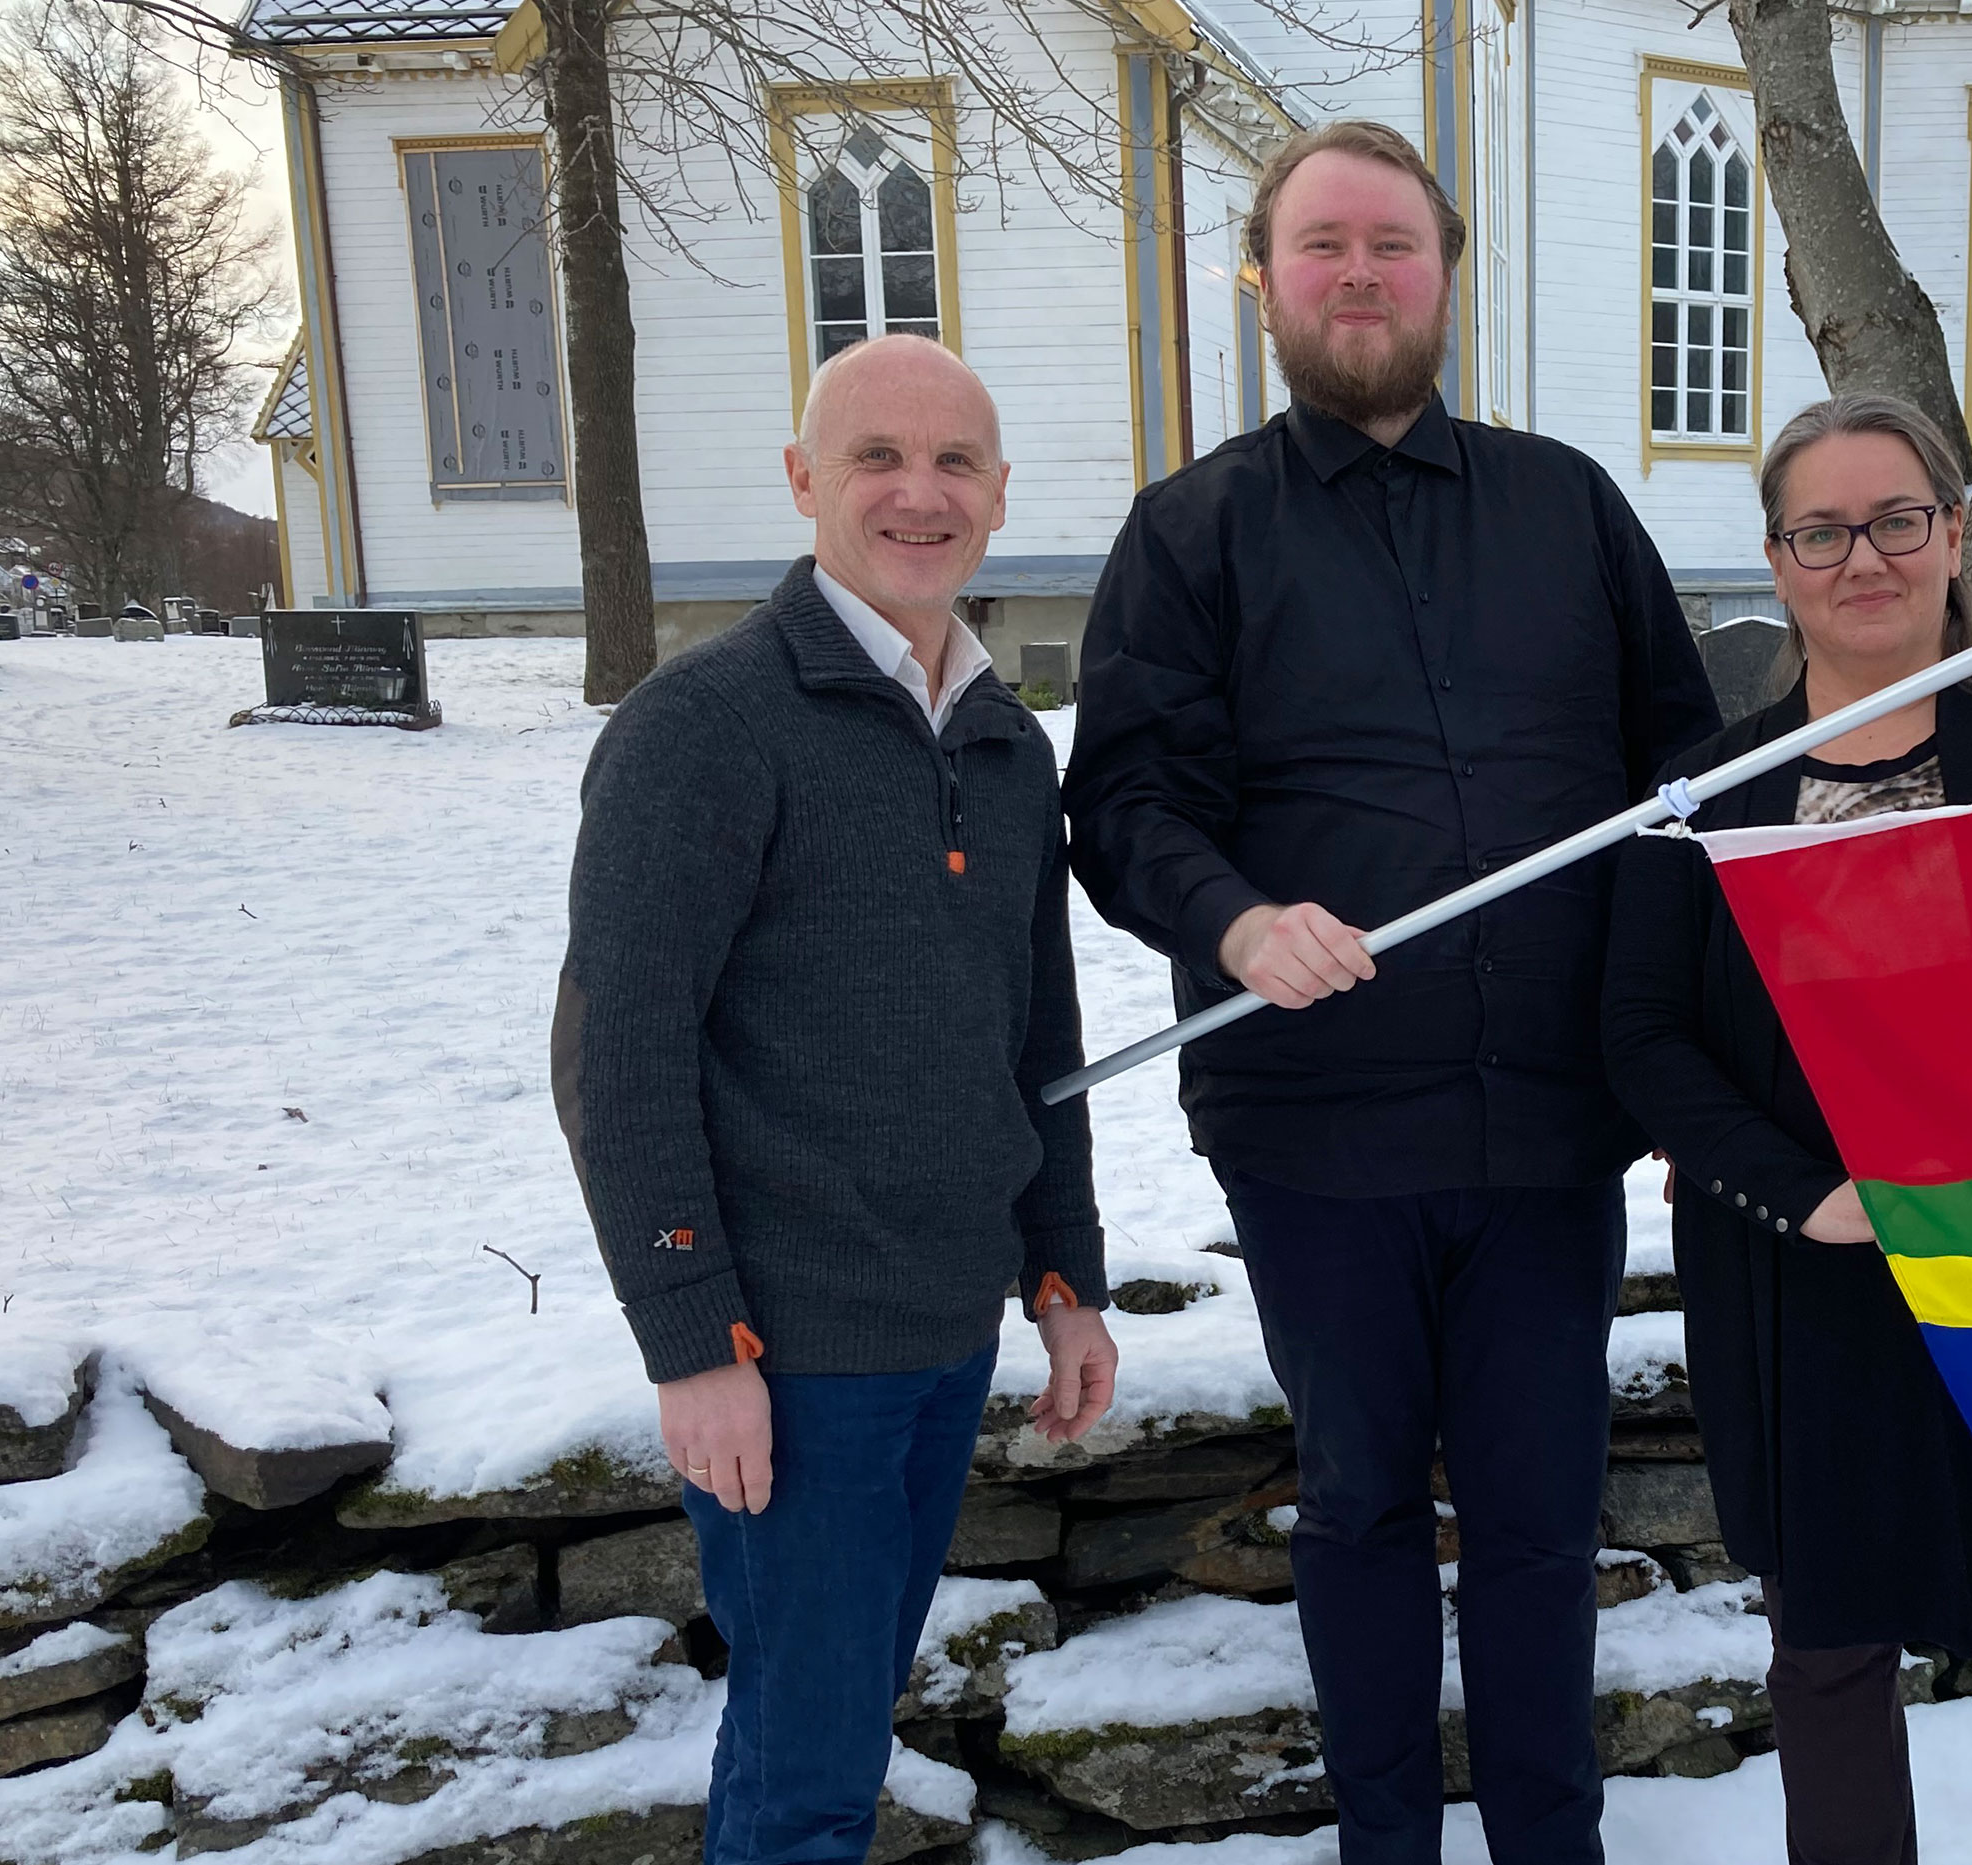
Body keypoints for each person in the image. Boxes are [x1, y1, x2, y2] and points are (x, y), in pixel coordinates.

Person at [1062, 120, 1719, 1865]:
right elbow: (1124, 804)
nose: (1359, 275)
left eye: (1393, 246)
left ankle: (1547, 1842)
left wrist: (1680, 1048)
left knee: (1531, 1514)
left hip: (1546, 1128)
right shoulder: (1191, 532)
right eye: (1323, 245)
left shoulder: (1567, 504)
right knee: (1356, 1502)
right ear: (1265, 280)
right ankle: (1384, 1844)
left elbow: (1681, 781)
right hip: (1318, 1131)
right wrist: (1231, 917)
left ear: (1443, 272)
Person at [554, 333, 1120, 1864]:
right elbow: (619, 1057)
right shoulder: (705, 728)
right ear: (805, 479)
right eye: (877, 457)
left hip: (944, 1327)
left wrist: (1061, 1274)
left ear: (1000, 494)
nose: (917, 494)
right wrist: (692, 1339)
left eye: (953, 464)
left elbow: (1035, 1037)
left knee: (835, 1717)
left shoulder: (1006, 747)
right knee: (810, 1762)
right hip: (787, 1353)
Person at [1599, 392, 1972, 1865]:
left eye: (1895, 518)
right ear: (1777, 560)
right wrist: (1805, 1192)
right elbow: (1639, 1035)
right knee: (1829, 1651)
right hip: (1803, 1280)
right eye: (1821, 529)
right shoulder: (1707, 800)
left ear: (1952, 532)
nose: (1863, 558)